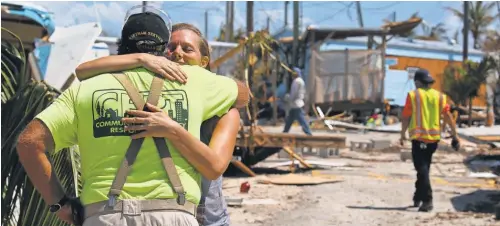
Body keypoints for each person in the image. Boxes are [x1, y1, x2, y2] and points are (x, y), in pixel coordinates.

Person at [16, 10, 248, 226]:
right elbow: (244, 94)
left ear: (121, 46)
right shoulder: (195, 80)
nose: (178, 54)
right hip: (174, 214)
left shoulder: (85, 88)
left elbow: (29, 142)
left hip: (103, 216)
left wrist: (60, 205)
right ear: (163, 48)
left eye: (186, 49)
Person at [75, 23, 237, 226]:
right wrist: (141, 58)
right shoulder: (157, 95)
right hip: (160, 212)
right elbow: (82, 70)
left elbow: (214, 167)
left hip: (207, 218)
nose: (177, 54)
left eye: (187, 49)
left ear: (204, 62)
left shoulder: (224, 109)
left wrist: (172, 130)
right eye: (171, 47)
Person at [400, 69, 460, 212]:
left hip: (419, 138)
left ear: (417, 82)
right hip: (433, 139)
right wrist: (455, 135)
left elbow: (406, 116)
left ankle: (427, 200)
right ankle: (418, 196)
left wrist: (402, 134)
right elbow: (448, 117)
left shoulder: (413, 96)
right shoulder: (440, 96)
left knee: (421, 169)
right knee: (424, 168)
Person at [283, 67, 312, 135]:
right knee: (290, 119)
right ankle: (285, 132)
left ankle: (308, 132)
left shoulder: (296, 82)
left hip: (296, 104)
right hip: (297, 103)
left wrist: (287, 97)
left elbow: (293, 93)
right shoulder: (301, 81)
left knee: (301, 119)